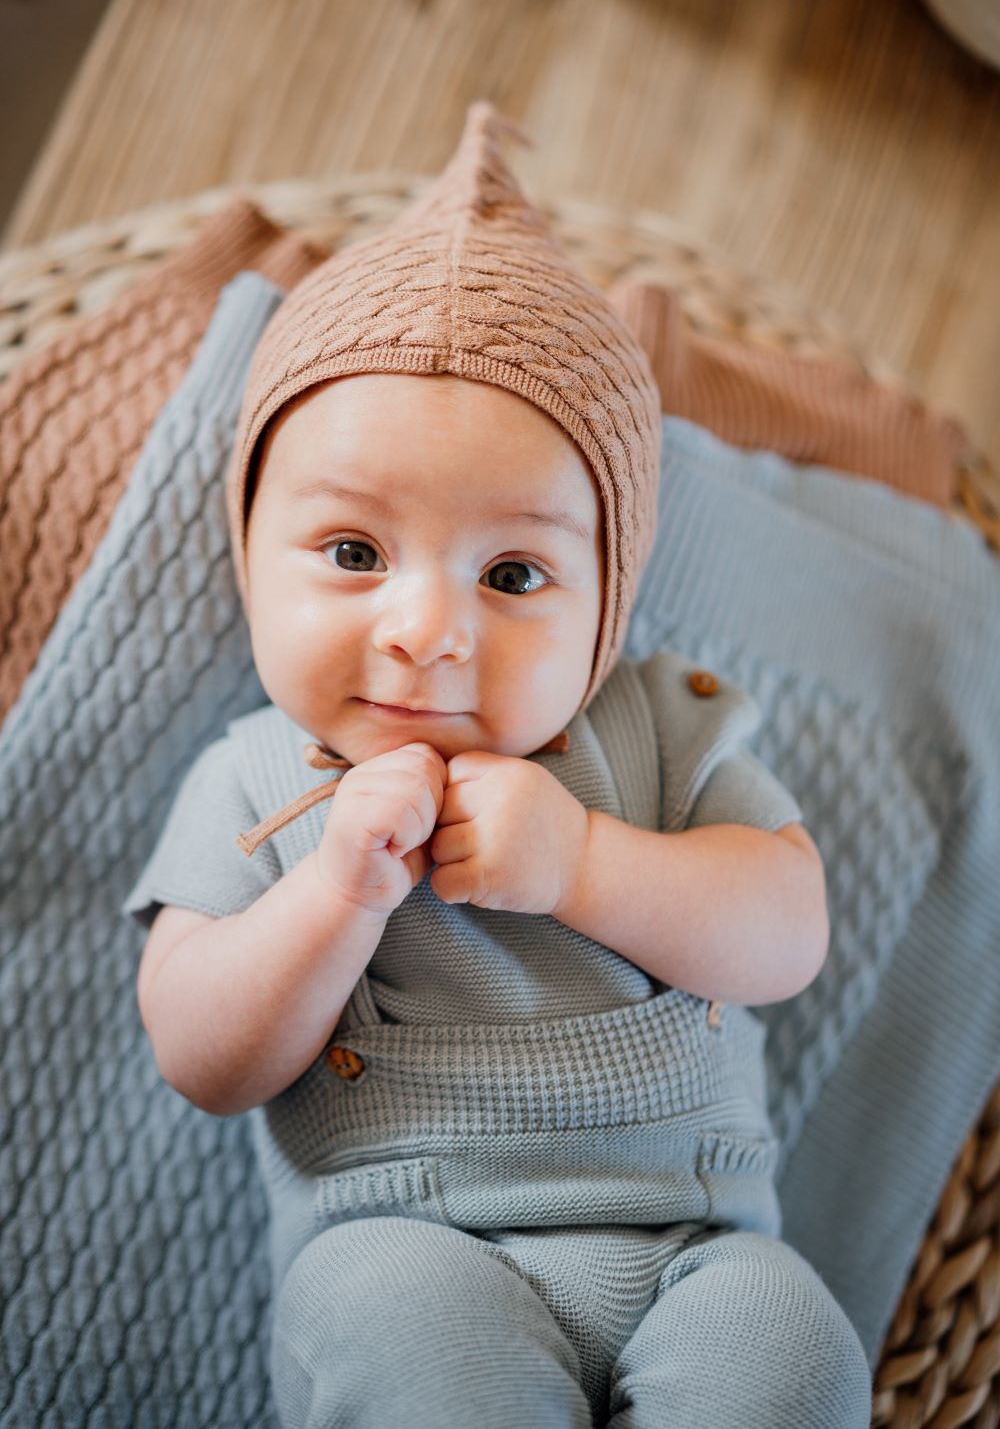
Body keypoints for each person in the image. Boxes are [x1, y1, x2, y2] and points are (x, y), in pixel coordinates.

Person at [124, 100, 872, 1427]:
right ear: (249, 557)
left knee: (797, 1350)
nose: (425, 635)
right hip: (410, 1245)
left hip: (697, 1250)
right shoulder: (255, 785)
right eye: (354, 555)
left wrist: (588, 860)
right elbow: (200, 1052)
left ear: (611, 600)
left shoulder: (667, 727)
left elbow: (786, 933)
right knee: (391, 1333)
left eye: (514, 574)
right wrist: (334, 896)